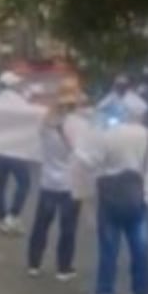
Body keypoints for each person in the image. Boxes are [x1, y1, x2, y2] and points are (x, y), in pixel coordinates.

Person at [76, 120, 148, 294]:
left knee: (109, 251)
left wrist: (78, 153)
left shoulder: (109, 135)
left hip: (111, 199)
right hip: (137, 196)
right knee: (140, 250)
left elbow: (92, 163)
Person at [27, 80, 87, 281]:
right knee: (67, 228)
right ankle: (63, 268)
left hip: (48, 182)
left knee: (41, 225)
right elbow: (83, 153)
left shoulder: (44, 123)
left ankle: (34, 263)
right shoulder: (78, 125)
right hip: (70, 184)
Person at [0, 71, 32, 234]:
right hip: (16, 150)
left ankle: (2, 218)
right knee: (24, 183)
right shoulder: (21, 101)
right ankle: (13, 214)